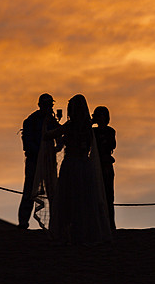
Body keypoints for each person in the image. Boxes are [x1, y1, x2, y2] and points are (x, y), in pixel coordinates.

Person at [43, 94, 112, 244]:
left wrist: (48, 122)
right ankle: (84, 231)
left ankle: (69, 231)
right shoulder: (87, 128)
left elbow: (49, 135)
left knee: (70, 197)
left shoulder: (70, 126)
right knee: (85, 198)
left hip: (71, 165)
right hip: (84, 165)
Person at [17, 93, 61, 229]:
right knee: (30, 190)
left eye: (50, 105)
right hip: (35, 161)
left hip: (47, 161)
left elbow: (59, 139)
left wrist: (53, 150)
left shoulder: (51, 121)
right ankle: (23, 223)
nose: (49, 108)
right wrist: (43, 152)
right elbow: (28, 144)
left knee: (52, 191)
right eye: (47, 105)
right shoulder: (31, 121)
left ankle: (55, 222)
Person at [92, 106, 117, 230]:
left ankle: (110, 225)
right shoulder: (93, 132)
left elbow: (111, 145)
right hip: (96, 165)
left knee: (108, 196)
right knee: (95, 195)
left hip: (106, 165)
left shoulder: (110, 131)